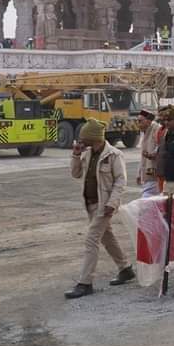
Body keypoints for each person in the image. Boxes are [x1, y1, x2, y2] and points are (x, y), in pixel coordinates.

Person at [65, 120, 133, 299]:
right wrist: (75, 156)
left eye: (84, 138)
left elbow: (121, 181)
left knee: (91, 240)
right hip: (90, 204)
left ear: (93, 137)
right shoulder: (87, 153)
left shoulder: (114, 155)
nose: (81, 141)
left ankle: (85, 283)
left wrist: (112, 203)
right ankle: (125, 268)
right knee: (107, 237)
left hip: (104, 205)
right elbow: (76, 174)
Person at [136, 109, 162, 197]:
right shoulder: (144, 132)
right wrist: (139, 173)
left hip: (154, 172)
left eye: (140, 121)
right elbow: (142, 157)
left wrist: (153, 154)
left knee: (148, 199)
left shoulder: (157, 129)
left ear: (148, 121)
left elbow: (160, 147)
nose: (138, 124)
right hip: (147, 173)